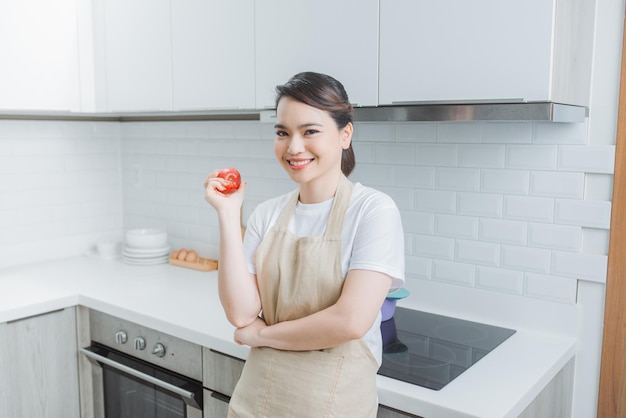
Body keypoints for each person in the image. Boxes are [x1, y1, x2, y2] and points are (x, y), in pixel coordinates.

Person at [204, 71, 405, 418]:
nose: (293, 147)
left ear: (345, 134)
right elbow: (240, 313)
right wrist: (228, 213)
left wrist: (261, 336)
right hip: (257, 401)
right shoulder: (268, 214)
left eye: (310, 131)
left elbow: (350, 321)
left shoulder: (373, 211)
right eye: (283, 133)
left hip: (335, 406)